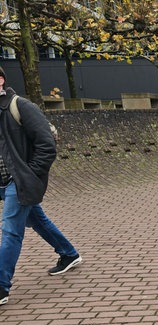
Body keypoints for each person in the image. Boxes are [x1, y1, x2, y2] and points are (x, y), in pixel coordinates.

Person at [0, 66, 82, 306]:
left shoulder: (21, 106)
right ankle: (69, 254)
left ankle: (1, 287)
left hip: (21, 181)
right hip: (4, 182)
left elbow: (46, 145)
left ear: (1, 80)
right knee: (36, 219)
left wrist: (30, 175)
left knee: (11, 231)